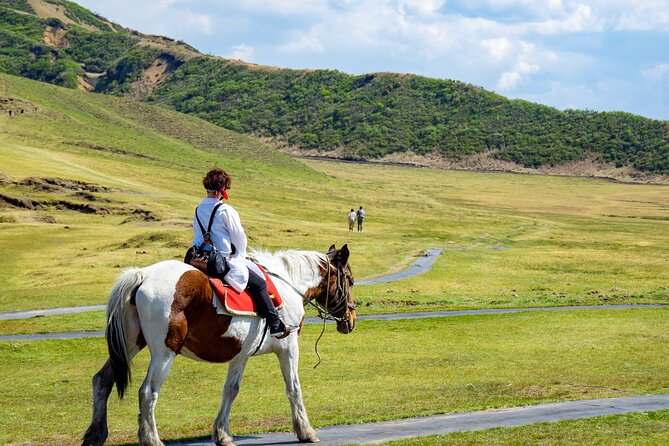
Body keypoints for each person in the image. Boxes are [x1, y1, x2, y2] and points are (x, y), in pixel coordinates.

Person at [190, 167, 292, 338]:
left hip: (199, 259)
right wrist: (240, 256)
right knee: (259, 284)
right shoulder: (225, 210)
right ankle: (275, 323)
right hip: (220, 262)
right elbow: (239, 239)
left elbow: (197, 237)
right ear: (222, 190)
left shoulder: (198, 209)